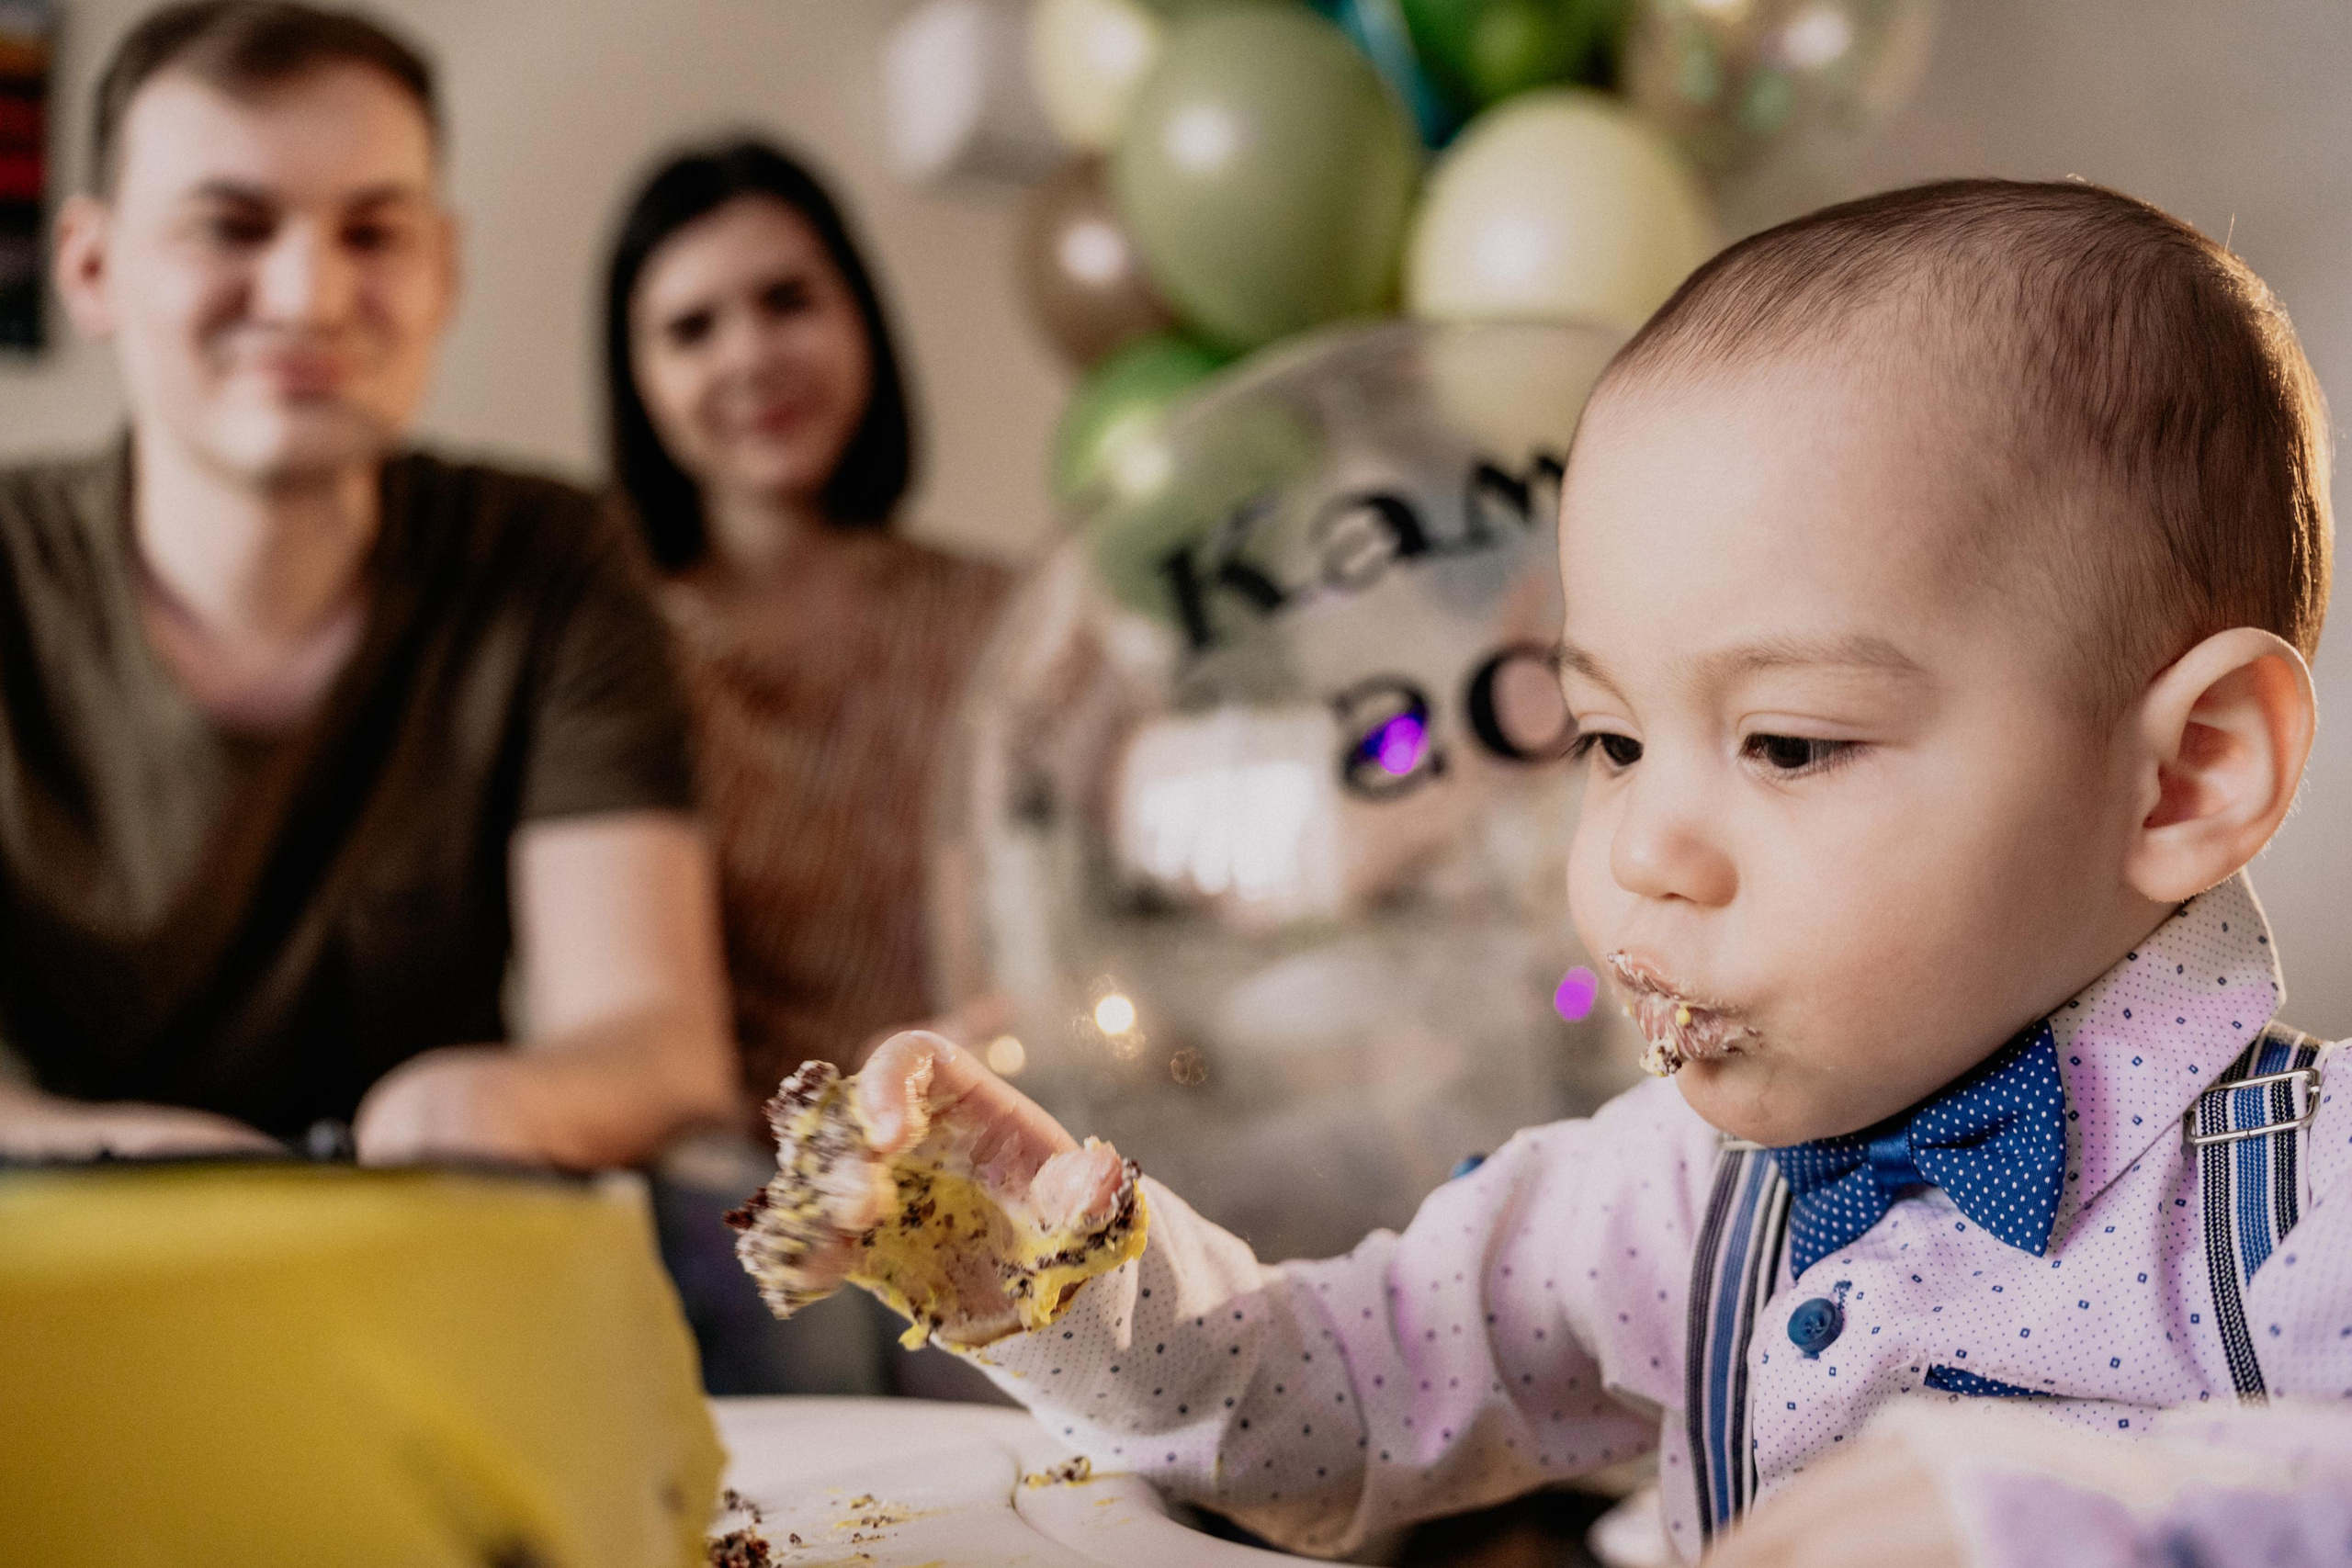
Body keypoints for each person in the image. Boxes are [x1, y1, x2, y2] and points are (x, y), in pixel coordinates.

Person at [762, 180, 2352, 1566]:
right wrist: (1047, 1268)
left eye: (1790, 743)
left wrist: (2109, 1519)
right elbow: (1317, 1399)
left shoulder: (2312, 1199)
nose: (1642, 848)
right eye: (1608, 739)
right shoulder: (1658, 1197)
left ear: (2191, 769)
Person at [0, 1, 736, 1168]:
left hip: (423, 1260)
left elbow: (653, 1040)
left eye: (373, 233)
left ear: (444, 267)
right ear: (90, 268)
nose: (306, 295)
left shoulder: (551, 555)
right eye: (229, 227)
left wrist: (487, 1106)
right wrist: (135, 1166)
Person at [604, 140, 1013, 1126]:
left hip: (1047, 1146)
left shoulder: (1000, 614)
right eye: (692, 328)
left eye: (787, 301)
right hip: (773, 1220)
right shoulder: (613, 667)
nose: (750, 355)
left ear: (859, 317)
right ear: (639, 381)